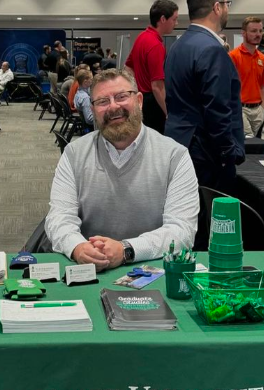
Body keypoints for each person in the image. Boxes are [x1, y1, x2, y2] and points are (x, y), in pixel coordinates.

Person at [45, 69, 198, 271]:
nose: (113, 107)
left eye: (121, 97)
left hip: (151, 272)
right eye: (102, 101)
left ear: (139, 100)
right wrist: (78, 247)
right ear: (93, 109)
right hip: (89, 270)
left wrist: (126, 249)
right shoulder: (74, 154)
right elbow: (59, 218)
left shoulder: (175, 156)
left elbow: (182, 230)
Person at [165, 0, 244, 222]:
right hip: (206, 152)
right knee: (210, 222)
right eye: (228, 3)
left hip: (180, 142)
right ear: (217, 7)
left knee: (186, 218)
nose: (228, 8)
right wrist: (229, 151)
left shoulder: (178, 46)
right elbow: (217, 109)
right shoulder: (211, 49)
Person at [125, 0, 179, 135]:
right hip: (153, 104)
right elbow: (156, 86)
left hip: (142, 101)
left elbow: (128, 68)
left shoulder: (141, 37)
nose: (176, 23)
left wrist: (135, 90)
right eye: (174, 19)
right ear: (162, 19)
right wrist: (169, 113)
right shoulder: (155, 45)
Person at [229, 17, 264, 137]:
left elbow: (263, 86)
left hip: (258, 110)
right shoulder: (233, 56)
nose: (258, 34)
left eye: (260, 31)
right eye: (253, 31)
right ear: (243, 33)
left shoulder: (263, 58)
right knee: (247, 142)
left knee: (253, 145)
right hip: (240, 109)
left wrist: (262, 110)